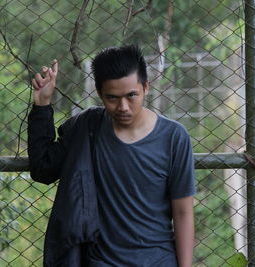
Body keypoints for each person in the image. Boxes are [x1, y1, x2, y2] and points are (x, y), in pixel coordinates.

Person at [28, 44, 196, 267]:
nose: (123, 106)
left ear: (145, 87)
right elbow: (43, 169)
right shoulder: (87, 129)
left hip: (158, 261)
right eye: (113, 98)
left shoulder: (174, 137)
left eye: (132, 95)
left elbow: (183, 212)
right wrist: (42, 104)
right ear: (99, 93)